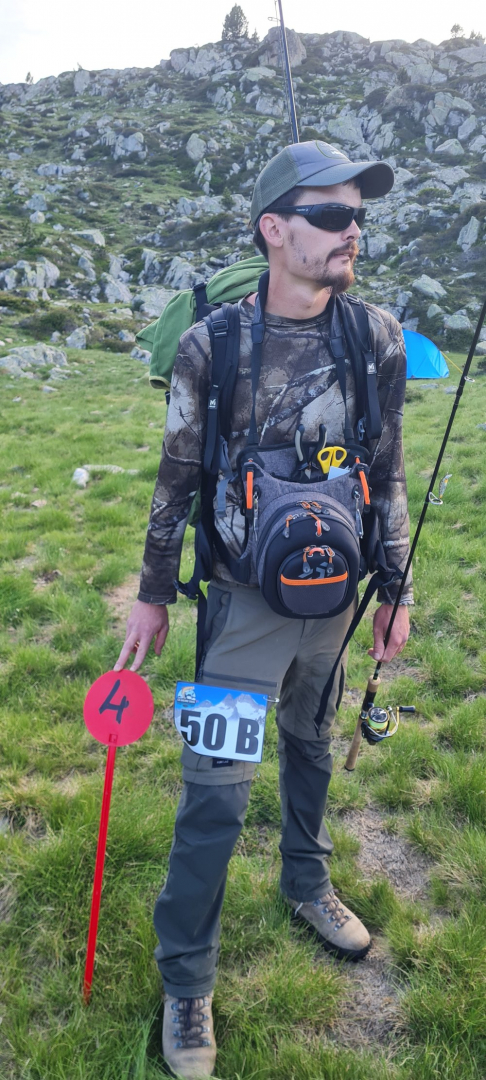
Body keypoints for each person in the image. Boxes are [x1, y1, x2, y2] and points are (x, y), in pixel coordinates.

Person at [115, 140, 413, 1080]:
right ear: (273, 229)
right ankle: (187, 979)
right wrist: (154, 595)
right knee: (216, 792)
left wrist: (395, 591)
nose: (351, 230)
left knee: (312, 746)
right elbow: (175, 476)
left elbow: (387, 472)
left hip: (336, 595)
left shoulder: (376, 337)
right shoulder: (215, 344)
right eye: (331, 214)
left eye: (357, 214)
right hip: (241, 608)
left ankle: (306, 882)